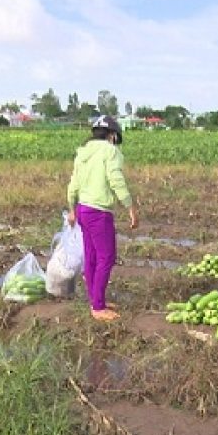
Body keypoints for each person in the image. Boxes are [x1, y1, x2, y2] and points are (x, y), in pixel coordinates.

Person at [67, 116, 138, 321]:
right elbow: (116, 179)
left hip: (83, 209)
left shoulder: (83, 153)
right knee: (106, 257)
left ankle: (96, 300)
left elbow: (73, 184)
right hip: (99, 212)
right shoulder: (110, 151)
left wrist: (72, 208)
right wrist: (130, 206)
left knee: (91, 256)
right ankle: (98, 307)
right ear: (112, 135)